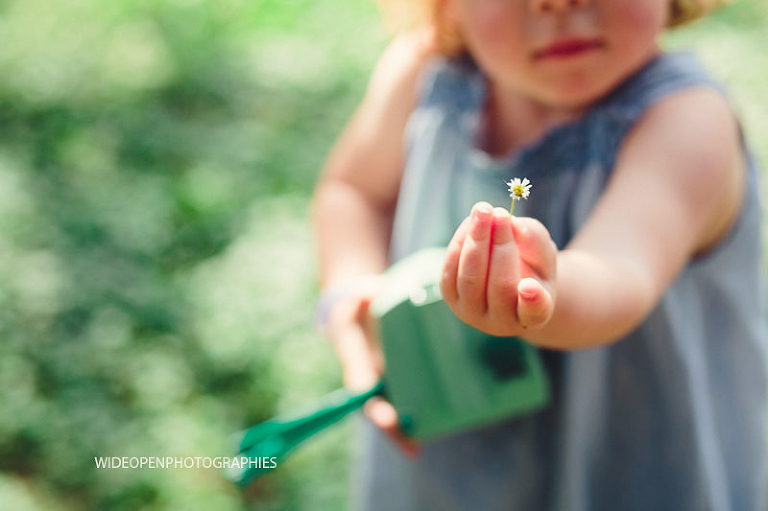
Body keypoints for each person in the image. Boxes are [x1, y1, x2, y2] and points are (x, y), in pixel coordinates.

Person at [311, 0, 768, 509]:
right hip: (445, 461)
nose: (556, 3)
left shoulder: (687, 120)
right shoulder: (424, 74)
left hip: (630, 467)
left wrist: (538, 288)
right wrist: (351, 291)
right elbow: (353, 192)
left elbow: (622, 273)